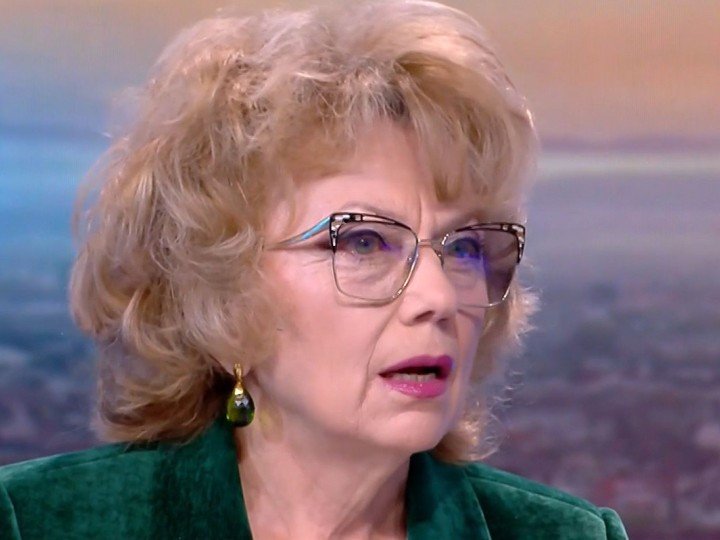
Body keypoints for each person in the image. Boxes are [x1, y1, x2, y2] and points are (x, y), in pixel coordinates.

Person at [0, 1, 628, 538]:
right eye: (363, 242)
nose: (438, 297)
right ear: (220, 288)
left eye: (463, 247)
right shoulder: (34, 522)